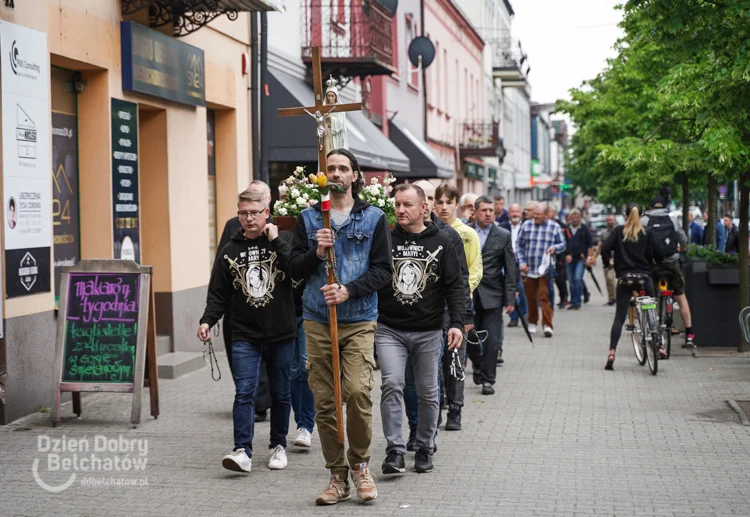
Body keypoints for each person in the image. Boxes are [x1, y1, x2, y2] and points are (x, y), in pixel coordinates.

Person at [290, 148, 392, 505]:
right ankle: (337, 475)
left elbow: (383, 271)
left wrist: (349, 290)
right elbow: (293, 268)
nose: (336, 173)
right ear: (323, 175)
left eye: (343, 168)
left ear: (355, 176)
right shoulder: (308, 219)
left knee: (357, 393)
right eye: (330, 167)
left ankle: (361, 465)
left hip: (360, 319)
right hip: (318, 320)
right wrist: (316, 253)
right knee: (325, 400)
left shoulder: (374, 218)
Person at [198, 189, 296, 473]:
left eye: (255, 212)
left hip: (281, 331)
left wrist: (277, 240)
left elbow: (297, 271)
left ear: (267, 212)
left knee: (280, 392)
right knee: (244, 392)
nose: (249, 218)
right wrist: (208, 320)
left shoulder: (283, 242)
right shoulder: (230, 250)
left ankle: (278, 445)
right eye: (243, 213)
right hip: (244, 333)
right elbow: (218, 293)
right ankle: (242, 450)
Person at [377, 184, 465, 475]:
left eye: (407, 205)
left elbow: (455, 286)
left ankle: (425, 447)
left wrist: (456, 323)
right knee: (391, 384)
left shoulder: (443, 240)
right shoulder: (385, 239)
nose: (400, 210)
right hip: (389, 329)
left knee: (429, 392)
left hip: (428, 331)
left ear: (423, 208)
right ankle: (395, 451)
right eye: (397, 204)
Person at [406, 180, 473, 436]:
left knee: (452, 363)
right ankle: (430, 416)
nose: (435, 204)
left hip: (448, 311)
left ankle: (455, 409)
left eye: (434, 198)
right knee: (427, 371)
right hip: (421, 314)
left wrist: (464, 315)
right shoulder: (403, 232)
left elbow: (461, 278)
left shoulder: (448, 234)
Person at [214, 180, 273, 421]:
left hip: (268, 308)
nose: (249, 215)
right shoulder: (231, 226)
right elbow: (220, 267)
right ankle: (251, 400)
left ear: (267, 204)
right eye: (245, 208)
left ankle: (262, 401)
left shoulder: (277, 229)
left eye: (257, 199)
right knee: (240, 357)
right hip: (238, 308)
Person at [601, 203, 664, 369]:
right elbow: (660, 254)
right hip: (644, 278)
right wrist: (655, 263)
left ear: (624, 214)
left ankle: (612, 352)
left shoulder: (618, 231)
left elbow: (604, 248)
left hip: (625, 279)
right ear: (642, 215)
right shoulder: (648, 233)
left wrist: (609, 264)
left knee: (620, 318)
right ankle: (658, 345)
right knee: (651, 310)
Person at [469, 196, 516, 395]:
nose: (488, 214)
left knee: (492, 341)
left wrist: (510, 298)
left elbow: (510, 268)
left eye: (491, 211)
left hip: (493, 295)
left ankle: (489, 380)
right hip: (469, 295)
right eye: (484, 210)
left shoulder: (503, 235)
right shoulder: (466, 232)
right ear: (475, 211)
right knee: (470, 339)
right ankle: (478, 365)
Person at [642, 196, 695, 348]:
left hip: (653, 264)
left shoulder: (644, 221)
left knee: (649, 297)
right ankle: (690, 335)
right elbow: (683, 238)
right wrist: (681, 250)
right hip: (672, 263)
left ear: (651, 206)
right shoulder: (672, 220)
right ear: (665, 206)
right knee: (680, 296)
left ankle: (650, 330)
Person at [516, 203, 566, 337]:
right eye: (535, 214)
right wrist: (521, 262)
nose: (535, 217)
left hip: (545, 269)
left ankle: (547, 325)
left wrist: (554, 248)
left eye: (538, 214)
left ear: (546, 215)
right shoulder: (526, 225)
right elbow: (519, 246)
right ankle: (532, 322)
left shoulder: (554, 226)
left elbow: (563, 244)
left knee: (545, 296)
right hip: (528, 268)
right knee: (531, 297)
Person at [435, 185, 483, 295]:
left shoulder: (469, 233)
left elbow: (476, 271)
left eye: (449, 202)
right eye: (440, 202)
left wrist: (461, 294)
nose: (444, 207)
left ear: (456, 205)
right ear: (434, 204)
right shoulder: (428, 231)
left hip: (460, 299)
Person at [503, 203, 528, 329]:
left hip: (522, 262)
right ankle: (513, 318)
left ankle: (524, 315)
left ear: (521, 213)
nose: (515, 214)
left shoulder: (527, 226)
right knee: (512, 291)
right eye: (512, 211)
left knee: (522, 291)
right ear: (509, 213)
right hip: (507, 262)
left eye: (517, 211)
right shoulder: (503, 227)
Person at [563, 209, 593, 310]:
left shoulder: (584, 229)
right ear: (569, 218)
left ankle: (578, 301)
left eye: (577, 218)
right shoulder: (566, 229)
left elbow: (589, 244)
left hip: (581, 258)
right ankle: (573, 301)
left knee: (578, 278)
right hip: (569, 259)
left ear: (580, 218)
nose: (575, 220)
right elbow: (562, 243)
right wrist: (566, 254)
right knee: (571, 281)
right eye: (573, 218)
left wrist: (589, 257)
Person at [547, 206, 569, 309]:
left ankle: (564, 298)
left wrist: (568, 254)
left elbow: (567, 242)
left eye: (550, 211)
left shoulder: (561, 225)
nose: (548, 213)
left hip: (560, 257)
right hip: (547, 259)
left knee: (560, 280)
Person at [593, 215, 618, 306]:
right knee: (608, 280)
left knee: (611, 279)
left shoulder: (618, 231)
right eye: (607, 220)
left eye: (610, 220)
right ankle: (611, 298)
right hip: (606, 260)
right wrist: (594, 258)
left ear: (614, 220)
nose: (609, 221)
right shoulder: (604, 233)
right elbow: (599, 246)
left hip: (616, 259)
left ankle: (616, 298)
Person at [323, 77, 348, 150]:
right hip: (327, 136)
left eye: (332, 96)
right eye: (328, 96)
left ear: (336, 96)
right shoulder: (324, 107)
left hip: (337, 137)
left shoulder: (340, 108)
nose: (330, 98)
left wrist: (331, 118)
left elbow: (341, 124)